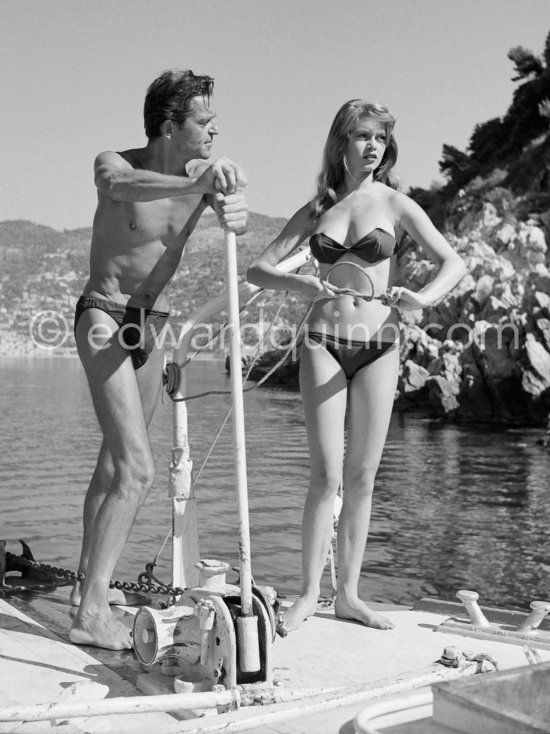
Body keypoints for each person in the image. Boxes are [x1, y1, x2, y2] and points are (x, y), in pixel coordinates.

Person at [247, 99, 466, 634]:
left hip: (380, 346)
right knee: (325, 475)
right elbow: (258, 268)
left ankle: (348, 595)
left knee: (362, 477)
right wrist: (296, 282)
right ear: (341, 141)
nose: (373, 146)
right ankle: (306, 595)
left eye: (381, 139)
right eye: (363, 136)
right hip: (322, 341)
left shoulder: (397, 205)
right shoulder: (317, 208)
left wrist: (422, 298)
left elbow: (452, 262)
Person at [69, 69, 248, 650]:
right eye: (203, 120)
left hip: (153, 325)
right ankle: (93, 613)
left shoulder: (203, 177)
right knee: (140, 470)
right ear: (170, 125)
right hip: (104, 313)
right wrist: (199, 186)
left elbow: (228, 201)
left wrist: (232, 204)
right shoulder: (114, 163)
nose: (214, 128)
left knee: (114, 464)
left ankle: (82, 587)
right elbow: (119, 185)